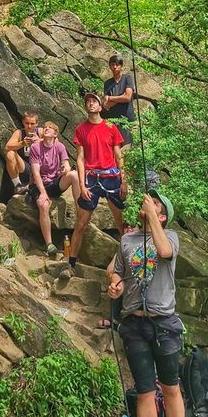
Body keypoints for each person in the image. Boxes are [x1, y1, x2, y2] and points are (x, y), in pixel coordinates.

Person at [107, 190, 185, 417]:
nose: (147, 203)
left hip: (164, 324)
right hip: (134, 324)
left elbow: (163, 252)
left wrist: (151, 216)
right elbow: (117, 270)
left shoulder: (170, 236)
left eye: (154, 203)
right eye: (148, 201)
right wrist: (116, 285)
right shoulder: (127, 241)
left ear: (162, 216)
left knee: (170, 387)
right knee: (145, 391)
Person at [61, 91, 127, 279]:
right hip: (92, 178)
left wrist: (124, 180)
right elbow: (80, 158)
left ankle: (123, 263)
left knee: (122, 224)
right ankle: (70, 264)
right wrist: (81, 185)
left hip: (111, 177)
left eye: (94, 101)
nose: (90, 104)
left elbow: (119, 155)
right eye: (88, 101)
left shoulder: (111, 127)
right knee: (81, 224)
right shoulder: (81, 129)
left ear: (100, 106)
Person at [27, 121, 79, 257]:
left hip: (53, 182)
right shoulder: (35, 147)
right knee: (43, 205)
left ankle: (81, 211)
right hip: (38, 184)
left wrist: (64, 170)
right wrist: (43, 193)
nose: (46, 129)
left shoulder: (60, 147)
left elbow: (66, 165)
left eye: (50, 128)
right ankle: (49, 244)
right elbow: (36, 173)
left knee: (74, 175)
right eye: (45, 127)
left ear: (55, 134)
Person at [5, 110, 42, 195]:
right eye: (27, 123)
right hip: (25, 167)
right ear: (23, 122)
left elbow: (56, 142)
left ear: (37, 123)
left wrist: (39, 141)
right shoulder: (19, 133)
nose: (29, 126)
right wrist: (22, 143)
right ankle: (17, 185)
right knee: (10, 153)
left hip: (40, 167)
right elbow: (7, 147)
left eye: (32, 124)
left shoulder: (41, 132)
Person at [103, 52, 135, 148]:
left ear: (121, 66)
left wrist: (111, 98)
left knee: (126, 148)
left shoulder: (127, 78)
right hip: (112, 121)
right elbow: (106, 104)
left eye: (117, 64)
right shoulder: (108, 83)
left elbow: (128, 97)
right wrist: (120, 97)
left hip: (126, 120)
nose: (115, 67)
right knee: (114, 148)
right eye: (112, 65)